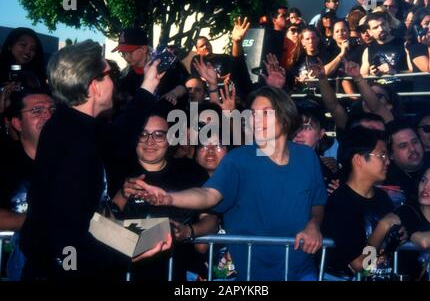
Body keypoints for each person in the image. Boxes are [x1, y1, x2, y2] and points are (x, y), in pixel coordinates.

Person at [138, 86, 328, 281]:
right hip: (251, 276)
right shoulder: (239, 159)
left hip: (302, 270)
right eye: (253, 114)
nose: (257, 120)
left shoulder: (306, 157)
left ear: (285, 117)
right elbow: (209, 195)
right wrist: (169, 197)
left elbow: (317, 201)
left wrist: (313, 225)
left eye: (265, 113)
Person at [19, 40, 171, 281]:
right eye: (108, 74)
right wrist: (129, 251)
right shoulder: (76, 144)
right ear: (94, 86)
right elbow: (66, 236)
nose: (114, 81)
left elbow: (117, 139)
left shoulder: (70, 125)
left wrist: (149, 84)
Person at [113, 112, 218, 281]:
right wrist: (123, 194)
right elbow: (101, 223)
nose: (150, 142)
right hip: (129, 272)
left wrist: (189, 231)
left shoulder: (190, 171)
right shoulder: (117, 171)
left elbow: (211, 221)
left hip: (180, 272)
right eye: (143, 134)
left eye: (158, 135)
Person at [322, 127, 405, 281]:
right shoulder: (340, 203)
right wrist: (384, 226)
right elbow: (360, 264)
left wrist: (401, 235)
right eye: (382, 155)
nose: (388, 161)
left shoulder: (382, 198)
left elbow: (386, 248)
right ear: (358, 160)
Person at [0, 89, 55, 280]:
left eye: (52, 110)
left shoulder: (72, 158)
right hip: (18, 249)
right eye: (37, 110)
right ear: (17, 123)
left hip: (65, 252)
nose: (48, 115)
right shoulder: (5, 160)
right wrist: (38, 223)